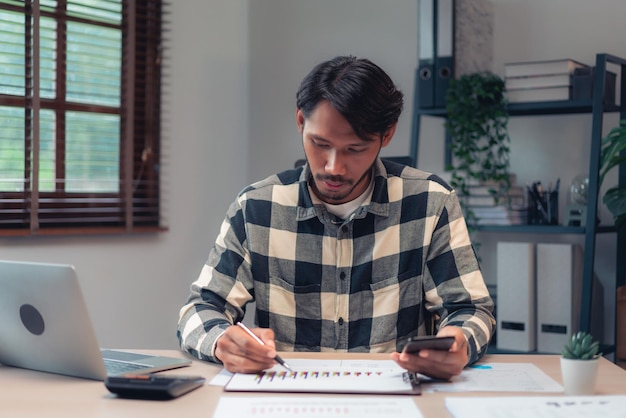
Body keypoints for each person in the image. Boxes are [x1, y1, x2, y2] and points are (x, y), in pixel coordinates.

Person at [177, 55, 495, 380]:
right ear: (301, 121)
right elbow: (198, 309)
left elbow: (470, 309)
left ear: (387, 135)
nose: (333, 167)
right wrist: (222, 342)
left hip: (395, 399)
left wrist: (459, 343)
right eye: (320, 143)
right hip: (287, 400)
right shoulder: (257, 209)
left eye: (354, 149)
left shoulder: (429, 203)